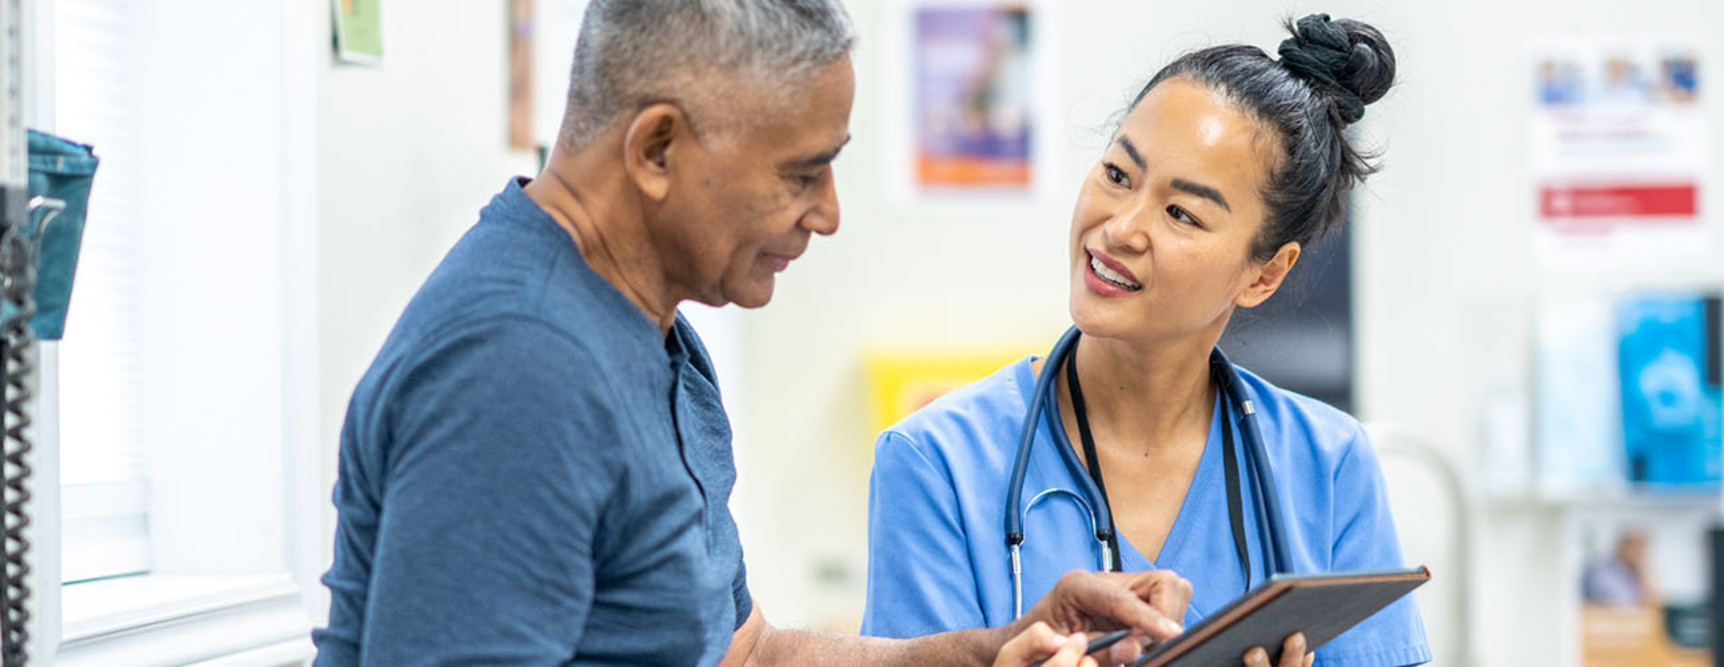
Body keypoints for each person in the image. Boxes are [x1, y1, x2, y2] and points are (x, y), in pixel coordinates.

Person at [312, 2, 1195, 665]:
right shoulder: (520, 366)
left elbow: (750, 651)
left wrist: (999, 646)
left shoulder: (648, 327)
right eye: (802, 174)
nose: (828, 215)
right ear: (656, 149)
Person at [862, 15, 1429, 667]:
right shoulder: (937, 463)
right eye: (1118, 175)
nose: (1121, 227)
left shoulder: (1327, 466)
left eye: (1182, 213)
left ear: (1265, 273)